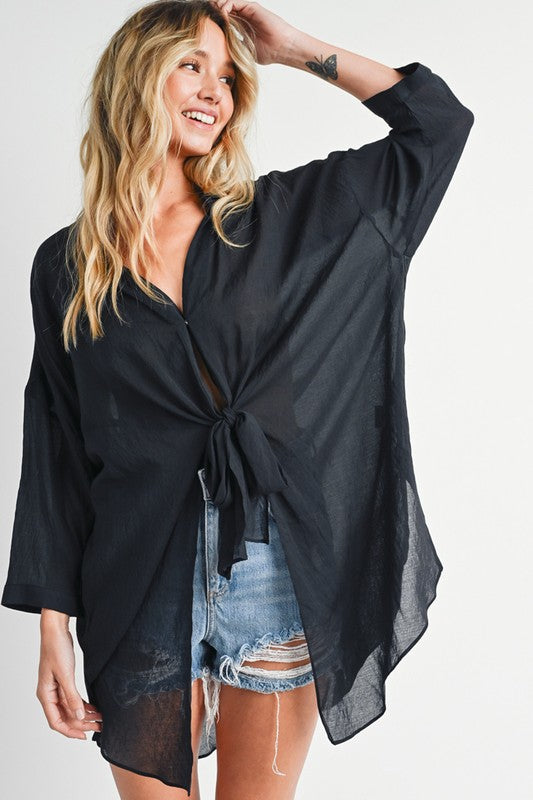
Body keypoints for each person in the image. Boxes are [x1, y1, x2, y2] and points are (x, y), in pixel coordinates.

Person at [1, 1, 474, 798]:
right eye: (191, 65)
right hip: (134, 577)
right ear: (135, 77)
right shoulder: (67, 265)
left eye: (226, 76)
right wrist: (51, 625)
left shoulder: (279, 220)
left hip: (272, 573)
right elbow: (56, 445)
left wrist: (293, 50)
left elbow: (436, 128)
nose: (212, 91)